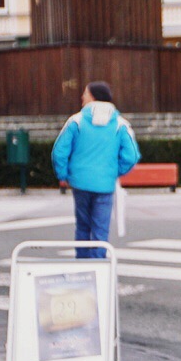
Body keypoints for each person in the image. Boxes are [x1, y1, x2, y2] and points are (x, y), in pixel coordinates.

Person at [52, 81, 139, 258]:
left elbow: (59, 152)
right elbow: (131, 156)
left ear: (93, 97)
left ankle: (83, 265)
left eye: (85, 93)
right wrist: (114, 171)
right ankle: (98, 267)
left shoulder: (75, 121)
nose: (82, 97)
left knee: (83, 226)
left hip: (80, 182)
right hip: (105, 184)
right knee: (100, 229)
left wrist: (64, 174)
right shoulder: (120, 124)